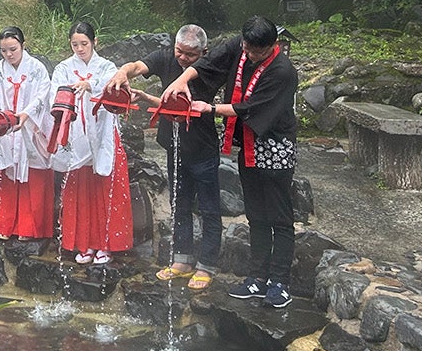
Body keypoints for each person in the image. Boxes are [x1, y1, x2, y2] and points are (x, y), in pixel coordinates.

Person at [165, 16, 298, 308]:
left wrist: (210, 108)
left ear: (272, 46)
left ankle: (280, 282)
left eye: (255, 52)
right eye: (247, 49)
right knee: (255, 215)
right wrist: (182, 80)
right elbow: (209, 62)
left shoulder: (283, 71)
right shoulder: (241, 45)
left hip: (275, 147)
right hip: (249, 146)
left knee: (280, 217)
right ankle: (257, 278)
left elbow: (251, 108)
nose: (248, 55)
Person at [107, 24, 220, 289]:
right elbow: (138, 66)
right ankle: (182, 260)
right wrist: (123, 72)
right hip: (174, 144)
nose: (182, 58)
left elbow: (191, 107)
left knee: (208, 209)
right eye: (179, 51)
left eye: (190, 55)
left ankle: (207, 265)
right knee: (179, 202)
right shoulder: (167, 56)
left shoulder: (210, 66)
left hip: (202, 147)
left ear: (203, 52)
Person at [51, 22, 132, 265]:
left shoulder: (107, 67)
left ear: (95, 42)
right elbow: (54, 96)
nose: (79, 48)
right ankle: (83, 244)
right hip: (77, 134)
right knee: (80, 191)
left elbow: (114, 94)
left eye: (84, 44)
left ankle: (106, 245)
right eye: (75, 44)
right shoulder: (63, 68)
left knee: (104, 189)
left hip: (102, 133)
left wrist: (91, 86)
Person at [0, 26, 54, 242]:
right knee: (6, 172)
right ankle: (3, 223)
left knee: (32, 174)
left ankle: (29, 227)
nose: (8, 55)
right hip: (6, 130)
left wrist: (26, 114)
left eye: (13, 49)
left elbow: (43, 95)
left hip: (29, 128)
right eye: (3, 51)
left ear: (23, 45)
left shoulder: (37, 69)